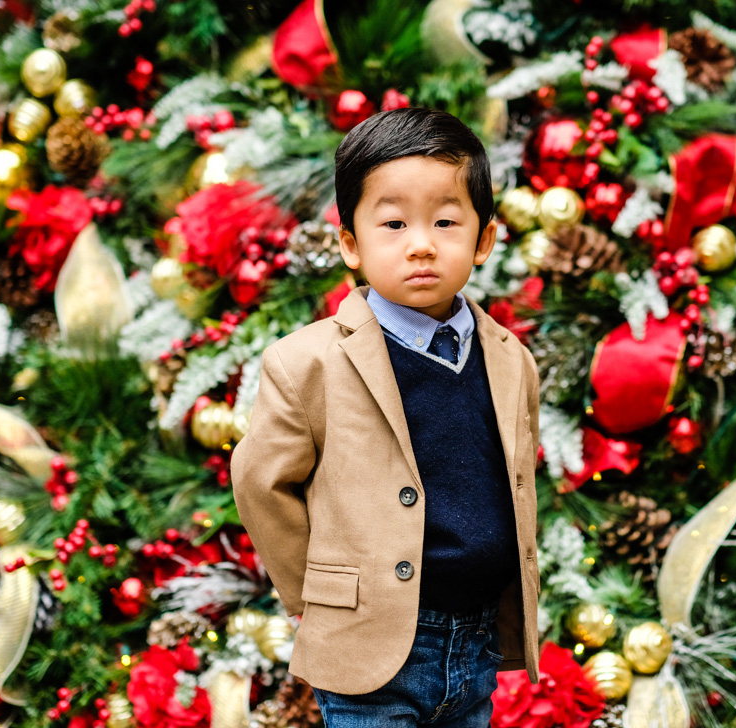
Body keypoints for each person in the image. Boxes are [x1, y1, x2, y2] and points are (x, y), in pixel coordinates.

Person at [232, 107, 541, 728]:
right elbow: (261, 484)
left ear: (484, 239)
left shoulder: (511, 359)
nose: (421, 243)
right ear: (351, 243)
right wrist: (317, 598)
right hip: (372, 641)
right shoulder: (309, 363)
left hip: (476, 641)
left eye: (446, 222)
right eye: (394, 223)